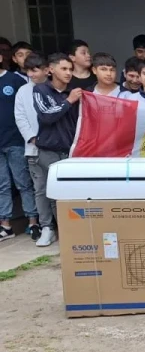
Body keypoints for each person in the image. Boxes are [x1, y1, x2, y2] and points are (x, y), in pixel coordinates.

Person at [32, 53, 82, 247]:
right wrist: (69, 101)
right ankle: (48, 228)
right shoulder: (41, 89)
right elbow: (46, 116)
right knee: (47, 191)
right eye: (64, 69)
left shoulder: (74, 92)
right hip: (48, 149)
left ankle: (67, 232)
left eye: (70, 69)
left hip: (69, 151)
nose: (68, 73)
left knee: (66, 194)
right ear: (51, 70)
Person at [0, 48, 32, 242]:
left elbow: (25, 109)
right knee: (2, 185)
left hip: (15, 141)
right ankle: (5, 226)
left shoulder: (14, 80)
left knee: (23, 183)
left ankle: (33, 222)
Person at [14, 52, 47, 241]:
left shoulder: (54, 87)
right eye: (29, 71)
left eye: (35, 70)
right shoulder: (23, 91)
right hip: (34, 148)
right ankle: (45, 226)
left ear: (46, 70)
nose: (32, 74)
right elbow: (20, 117)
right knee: (39, 189)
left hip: (57, 147)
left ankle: (62, 225)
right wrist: (32, 138)